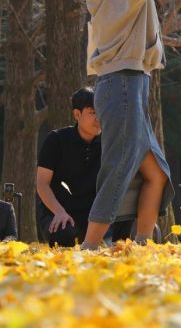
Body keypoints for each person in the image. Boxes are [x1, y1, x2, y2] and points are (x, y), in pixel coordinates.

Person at [82, 0, 181, 249]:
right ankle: (91, 243)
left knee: (156, 173)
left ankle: (143, 243)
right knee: (120, 164)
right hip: (123, 85)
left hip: (127, 86)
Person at [36, 88, 132, 246]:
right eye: (93, 112)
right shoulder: (56, 140)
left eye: (101, 112)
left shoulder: (109, 143)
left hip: (96, 214)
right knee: (63, 235)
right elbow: (42, 183)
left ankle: (118, 250)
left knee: (126, 212)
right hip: (60, 211)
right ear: (77, 114)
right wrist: (59, 212)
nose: (98, 118)